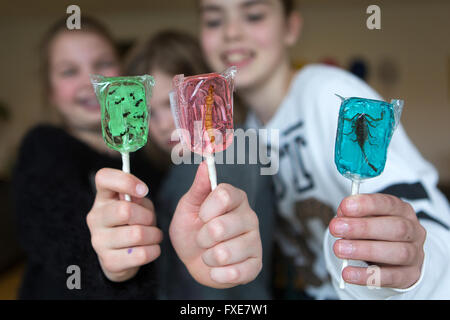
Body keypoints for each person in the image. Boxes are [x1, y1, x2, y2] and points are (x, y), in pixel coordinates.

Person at [197, 0, 450, 299]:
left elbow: (423, 216)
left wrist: (416, 266)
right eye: (214, 20)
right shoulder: (243, 132)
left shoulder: (329, 95)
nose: (231, 32)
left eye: (253, 16)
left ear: (291, 27)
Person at [85, 31, 265, 291]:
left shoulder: (225, 153)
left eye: (173, 103)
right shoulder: (172, 168)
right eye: (147, 112)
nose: (164, 123)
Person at [12, 16, 164, 299]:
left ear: (122, 72)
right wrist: (106, 264)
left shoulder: (148, 157)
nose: (92, 81)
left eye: (103, 64)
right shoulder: (44, 146)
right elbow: (49, 226)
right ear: (51, 93)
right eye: (69, 71)